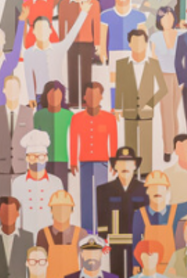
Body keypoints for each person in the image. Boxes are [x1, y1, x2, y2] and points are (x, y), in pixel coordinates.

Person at [133, 170, 187, 273]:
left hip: (170, 267)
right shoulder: (140, 214)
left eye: (161, 187)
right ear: (147, 191)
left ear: (167, 190)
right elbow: (136, 240)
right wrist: (136, 264)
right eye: (153, 187)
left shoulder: (174, 211)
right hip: (149, 267)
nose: (157, 191)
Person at [115, 28, 168, 173]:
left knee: (146, 145)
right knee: (130, 146)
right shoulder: (121, 64)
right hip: (129, 111)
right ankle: (130, 172)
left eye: (141, 42)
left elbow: (163, 89)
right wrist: (118, 107)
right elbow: (119, 87)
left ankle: (145, 173)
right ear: (129, 44)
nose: (138, 45)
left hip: (146, 113)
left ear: (146, 44)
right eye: (134, 42)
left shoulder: (153, 64)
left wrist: (150, 104)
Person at [69, 83, 118, 230]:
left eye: (96, 95)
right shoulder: (77, 118)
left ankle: (101, 230)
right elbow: (73, 141)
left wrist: (114, 162)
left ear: (101, 97)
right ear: (84, 97)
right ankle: (87, 231)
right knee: (86, 198)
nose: (92, 99)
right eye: (89, 95)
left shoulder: (109, 118)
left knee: (102, 197)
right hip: (84, 162)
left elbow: (113, 142)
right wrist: (73, 161)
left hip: (102, 163)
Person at [96, 146, 148, 278]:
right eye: (121, 162)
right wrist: (102, 239)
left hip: (138, 240)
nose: (125, 166)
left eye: (129, 162)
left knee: (137, 277)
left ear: (135, 165)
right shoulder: (104, 190)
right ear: (115, 166)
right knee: (116, 275)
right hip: (116, 240)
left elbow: (148, 217)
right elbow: (102, 215)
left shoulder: (145, 190)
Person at [58, 0, 104, 110]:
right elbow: (61, 25)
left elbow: (96, 24)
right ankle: (72, 99)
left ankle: (86, 99)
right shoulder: (65, 4)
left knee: (86, 71)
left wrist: (97, 43)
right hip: (70, 42)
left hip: (87, 41)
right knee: (71, 70)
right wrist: (61, 43)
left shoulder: (93, 4)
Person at [0, 76, 34, 200]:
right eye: (9, 87)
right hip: (3, 164)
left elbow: (30, 140)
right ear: (4, 90)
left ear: (19, 90)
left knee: (21, 201)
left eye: (15, 88)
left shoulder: (28, 113)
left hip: (21, 165)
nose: (12, 91)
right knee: (3, 204)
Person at [13, 129, 63, 233]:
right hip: (26, 237)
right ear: (27, 158)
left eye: (40, 157)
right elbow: (15, 215)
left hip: (50, 236)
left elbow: (61, 214)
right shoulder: (18, 183)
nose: (36, 160)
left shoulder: (56, 182)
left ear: (46, 158)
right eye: (32, 157)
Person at [148, 8, 181, 163]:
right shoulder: (155, 37)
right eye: (163, 18)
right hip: (164, 75)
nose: (167, 21)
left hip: (180, 76)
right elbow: (153, 59)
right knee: (166, 112)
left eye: (169, 17)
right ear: (159, 21)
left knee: (174, 112)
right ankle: (168, 148)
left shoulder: (181, 34)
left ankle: (175, 143)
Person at [33, 82, 74, 186]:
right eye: (51, 95)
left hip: (63, 159)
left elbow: (74, 140)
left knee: (61, 190)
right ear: (46, 96)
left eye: (58, 95)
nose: (54, 98)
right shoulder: (39, 115)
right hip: (43, 159)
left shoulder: (69, 116)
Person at [0, 196, 34, 278]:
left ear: (17, 214)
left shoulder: (27, 237)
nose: (8, 216)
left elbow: (31, 268)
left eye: (11, 212)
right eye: (5, 212)